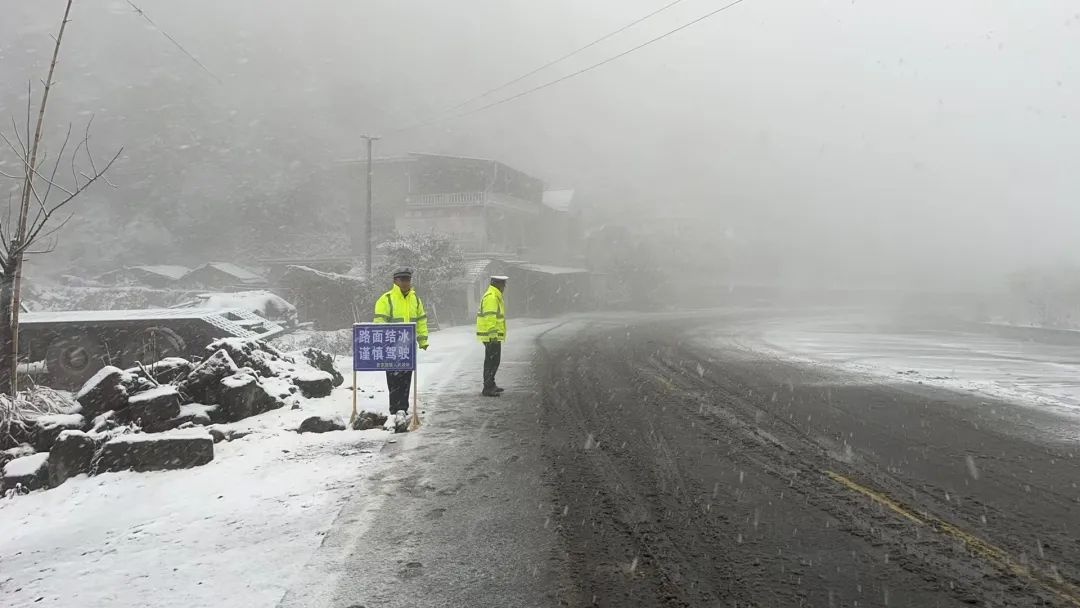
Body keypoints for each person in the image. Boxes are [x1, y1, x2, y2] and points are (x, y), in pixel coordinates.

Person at [373, 267, 429, 417]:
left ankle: (403, 409)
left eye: (408, 279)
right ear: (395, 281)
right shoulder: (386, 299)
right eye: (402, 279)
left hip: (408, 348)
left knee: (406, 380)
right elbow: (379, 323)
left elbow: (421, 320)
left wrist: (423, 339)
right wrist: (384, 344)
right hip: (391, 349)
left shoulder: (415, 299)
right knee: (393, 380)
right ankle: (394, 410)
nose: (405, 283)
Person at [476, 275, 508, 397]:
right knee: (491, 361)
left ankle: (491, 384)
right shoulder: (491, 297)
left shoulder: (494, 296)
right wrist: (493, 334)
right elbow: (490, 317)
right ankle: (488, 387)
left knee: (493, 360)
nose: (504, 287)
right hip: (491, 336)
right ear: (498, 285)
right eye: (503, 285)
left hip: (492, 335)